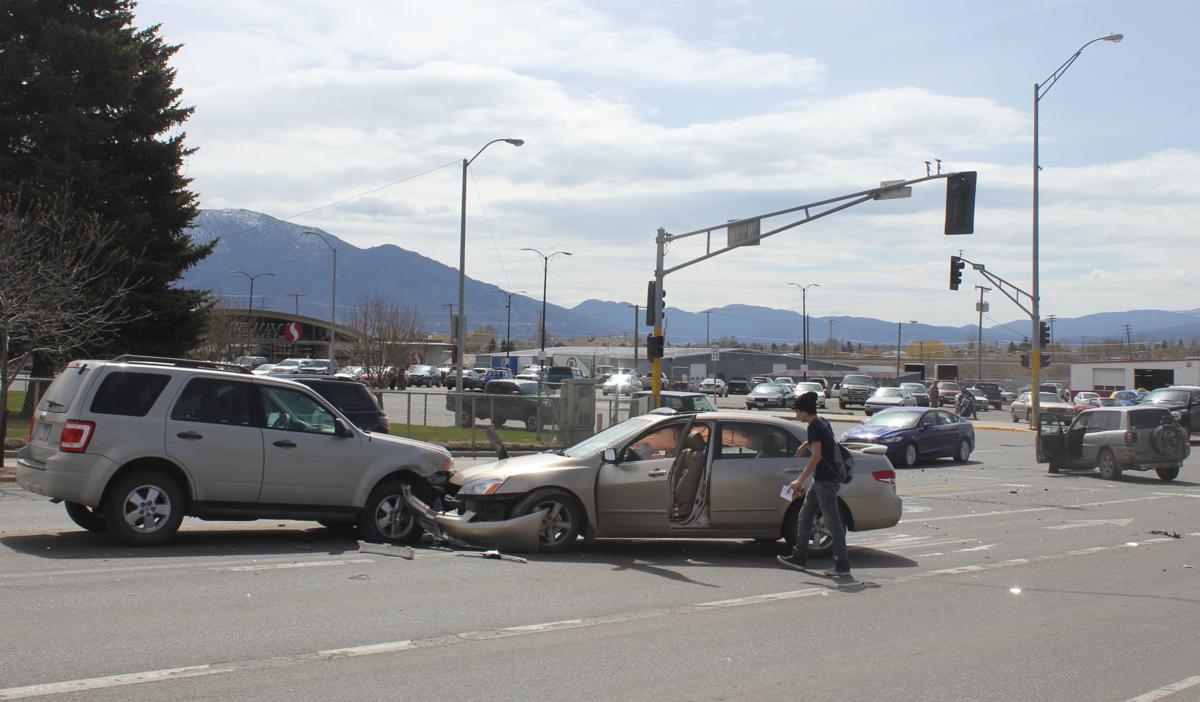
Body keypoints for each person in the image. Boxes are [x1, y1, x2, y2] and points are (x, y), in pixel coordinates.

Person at [778, 392, 850, 576]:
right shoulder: (822, 422)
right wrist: (805, 444)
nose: (796, 415)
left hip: (825, 481)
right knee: (805, 515)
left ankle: (842, 565)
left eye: (797, 412)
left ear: (804, 411)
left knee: (833, 522)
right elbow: (822, 445)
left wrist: (798, 480)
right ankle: (799, 557)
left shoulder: (814, 427)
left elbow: (817, 457)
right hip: (822, 480)